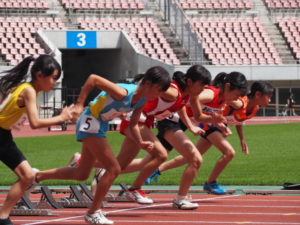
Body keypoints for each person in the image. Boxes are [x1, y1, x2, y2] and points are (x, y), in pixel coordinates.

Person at [29, 66, 171, 225]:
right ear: (148, 84)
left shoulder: (142, 100)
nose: (159, 95)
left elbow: (133, 125)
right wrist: (79, 104)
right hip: (90, 120)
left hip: (100, 124)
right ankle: (93, 212)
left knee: (81, 174)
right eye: (158, 90)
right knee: (114, 168)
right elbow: (93, 79)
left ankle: (36, 176)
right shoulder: (123, 92)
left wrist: (141, 143)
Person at [83, 65, 226, 209]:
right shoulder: (172, 91)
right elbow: (150, 89)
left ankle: (81, 162)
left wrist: (209, 120)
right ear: (189, 81)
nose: (203, 89)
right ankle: (135, 189)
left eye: (205, 85)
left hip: (143, 122)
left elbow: (195, 114)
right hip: (136, 122)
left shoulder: (189, 94)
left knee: (120, 165)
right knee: (161, 155)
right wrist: (132, 101)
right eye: (201, 85)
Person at [145, 72, 248, 195]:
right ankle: (182, 197)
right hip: (172, 120)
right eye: (236, 95)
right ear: (227, 87)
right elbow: (184, 101)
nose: (237, 99)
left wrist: (217, 124)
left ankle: (138, 180)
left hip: (180, 122)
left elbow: (201, 115)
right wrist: (191, 124)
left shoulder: (223, 100)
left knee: (156, 158)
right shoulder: (210, 94)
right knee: (193, 158)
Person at [0, 55, 73, 225]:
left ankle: (3, 217)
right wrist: (62, 117)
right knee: (27, 175)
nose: (55, 82)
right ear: (40, 75)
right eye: (53, 78)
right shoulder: (29, 91)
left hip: (4, 136)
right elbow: (35, 123)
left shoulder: (25, 88)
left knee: (27, 176)